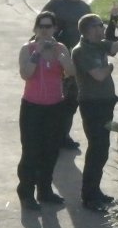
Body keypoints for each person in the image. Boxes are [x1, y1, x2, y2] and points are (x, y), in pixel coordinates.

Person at [71, 8, 118, 212]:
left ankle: (95, 191)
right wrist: (111, 68)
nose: (102, 28)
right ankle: (89, 196)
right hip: (92, 105)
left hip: (105, 103)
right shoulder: (81, 50)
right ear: (87, 30)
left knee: (102, 149)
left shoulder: (100, 44)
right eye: (98, 25)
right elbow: (98, 75)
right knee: (97, 149)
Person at [16, 11, 75, 211]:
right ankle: (26, 192)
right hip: (32, 107)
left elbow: (71, 73)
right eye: (41, 26)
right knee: (31, 151)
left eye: (48, 26)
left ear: (55, 29)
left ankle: (45, 190)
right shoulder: (28, 48)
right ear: (35, 29)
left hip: (55, 107)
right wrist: (37, 53)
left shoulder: (60, 48)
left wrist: (63, 58)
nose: (45, 30)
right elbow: (26, 74)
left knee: (50, 151)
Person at [43, 0, 90, 150]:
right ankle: (49, 136)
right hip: (55, 62)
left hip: (75, 63)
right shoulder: (55, 5)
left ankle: (63, 135)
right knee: (53, 101)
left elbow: (91, 35)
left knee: (71, 103)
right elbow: (41, 28)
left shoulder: (85, 9)